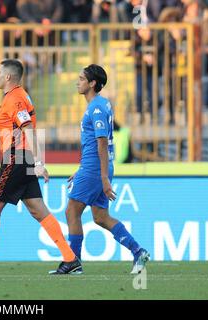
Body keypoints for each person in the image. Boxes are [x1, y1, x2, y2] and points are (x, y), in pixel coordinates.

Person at [0, 59, 81, 275]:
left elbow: (28, 130)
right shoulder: (14, 97)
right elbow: (2, 129)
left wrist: (39, 163)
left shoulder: (16, 99)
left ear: (8, 77)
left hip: (16, 160)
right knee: (38, 210)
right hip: (22, 159)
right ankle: (70, 259)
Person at [65, 64, 149, 275]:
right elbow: (96, 144)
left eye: (82, 79)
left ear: (92, 83)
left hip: (96, 168)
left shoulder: (96, 108)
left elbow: (102, 143)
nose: (78, 82)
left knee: (71, 212)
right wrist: (83, 169)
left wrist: (102, 177)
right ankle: (138, 251)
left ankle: (73, 262)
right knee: (100, 217)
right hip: (94, 167)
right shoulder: (103, 104)